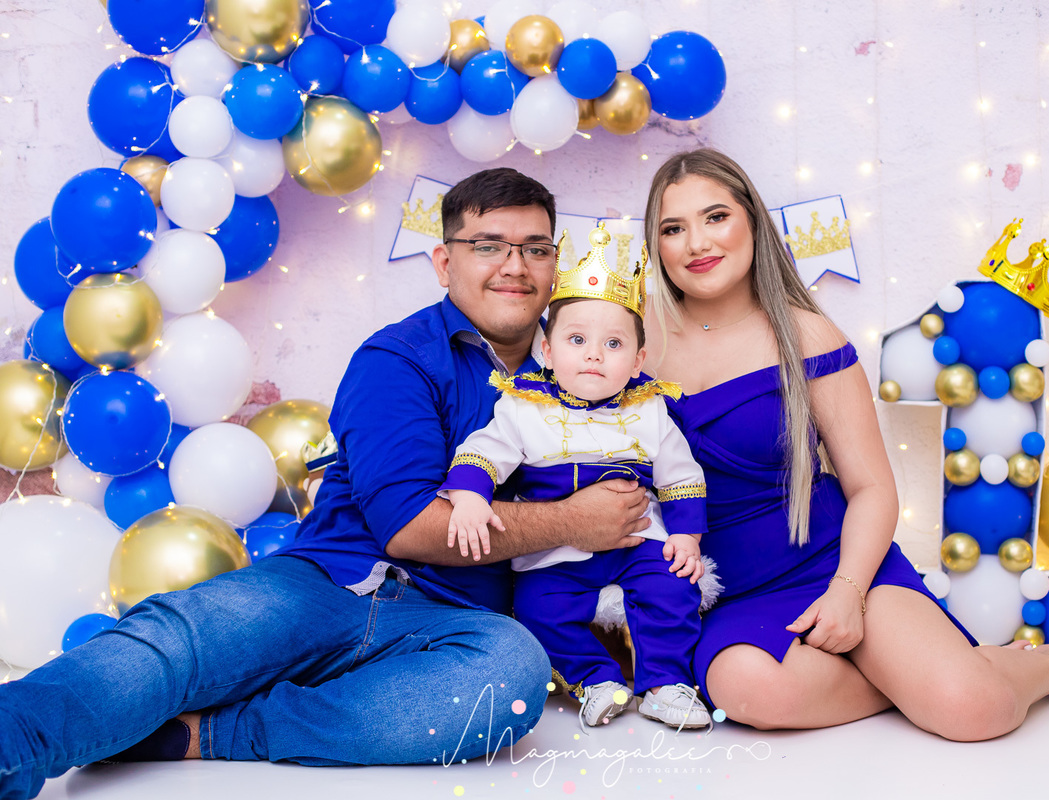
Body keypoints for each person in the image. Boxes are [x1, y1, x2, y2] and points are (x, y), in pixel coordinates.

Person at [0, 168, 652, 800]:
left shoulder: (592, 367)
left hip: (455, 623)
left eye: (535, 248)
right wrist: (575, 520)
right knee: (176, 642)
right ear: (444, 263)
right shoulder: (398, 359)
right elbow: (409, 528)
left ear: (554, 264)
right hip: (327, 585)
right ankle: (14, 744)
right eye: (488, 246)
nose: (515, 265)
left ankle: (219, 732)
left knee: (510, 677)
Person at [641, 148, 1049, 740]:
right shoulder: (631, 340)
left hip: (836, 562)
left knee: (974, 711)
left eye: (715, 217)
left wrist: (847, 592)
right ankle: (939, 673)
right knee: (749, 691)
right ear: (656, 246)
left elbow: (871, 488)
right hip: (725, 592)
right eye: (673, 229)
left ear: (751, 221)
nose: (697, 243)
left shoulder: (807, 335)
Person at [441, 224, 710, 730]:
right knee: (538, 608)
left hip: (638, 539)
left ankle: (665, 684)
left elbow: (681, 476)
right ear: (547, 350)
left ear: (638, 360)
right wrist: (471, 498)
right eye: (577, 340)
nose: (594, 354)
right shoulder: (523, 405)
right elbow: (483, 453)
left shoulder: (649, 408)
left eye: (614, 344)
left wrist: (687, 537)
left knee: (674, 590)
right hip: (554, 551)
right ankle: (595, 679)